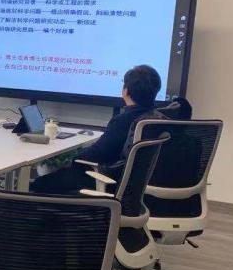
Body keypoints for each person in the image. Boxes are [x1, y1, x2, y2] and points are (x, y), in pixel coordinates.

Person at [30, 64, 162, 194]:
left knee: (39, 184)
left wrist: (75, 158)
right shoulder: (157, 118)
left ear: (126, 92)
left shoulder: (123, 120)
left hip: (106, 180)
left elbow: (98, 153)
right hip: (133, 184)